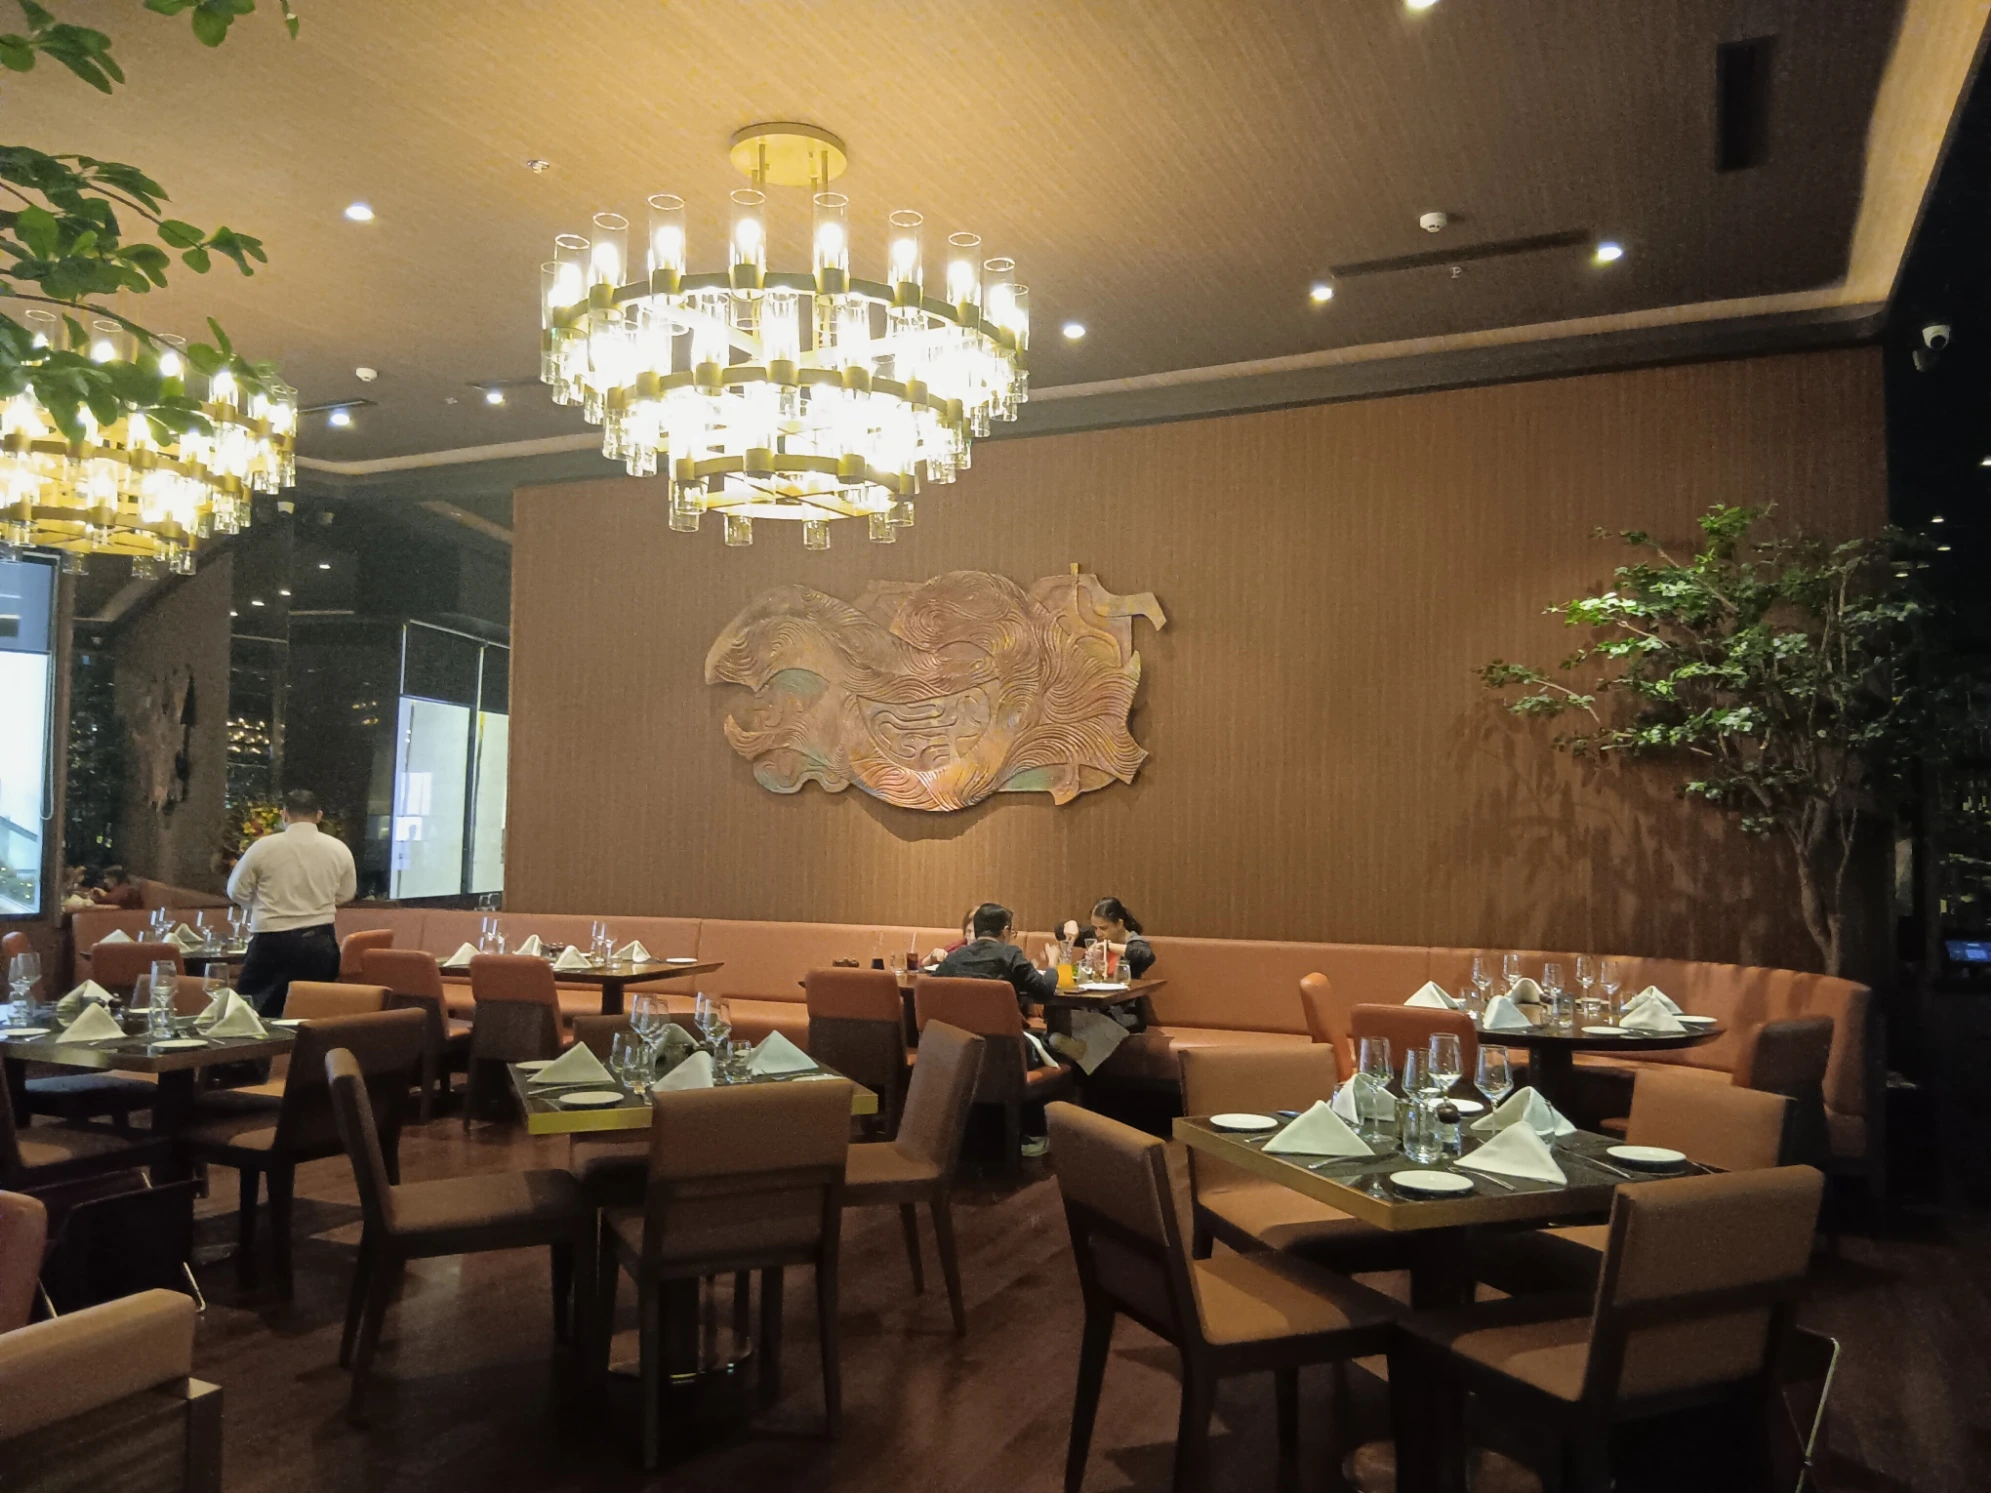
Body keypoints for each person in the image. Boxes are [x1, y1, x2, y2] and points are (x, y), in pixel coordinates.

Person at [932, 902, 1063, 1157]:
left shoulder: (954, 958)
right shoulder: (1010, 954)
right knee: (1052, 1050)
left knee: (1041, 1043)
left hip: (959, 1051)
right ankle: (1035, 1133)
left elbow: (936, 991)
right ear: (1005, 930)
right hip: (1005, 1052)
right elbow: (1044, 990)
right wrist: (1053, 964)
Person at [226, 788, 355, 1017]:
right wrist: (316, 902)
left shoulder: (263, 847)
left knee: (249, 1014)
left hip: (271, 942)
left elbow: (236, 891)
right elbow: (346, 893)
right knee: (310, 1014)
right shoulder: (339, 849)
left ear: (284, 814)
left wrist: (261, 904)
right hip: (319, 942)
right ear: (319, 816)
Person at [1076, 896, 1156, 979]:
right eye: (1095, 928)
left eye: (1103, 928)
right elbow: (1071, 932)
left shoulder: (1134, 942)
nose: (1098, 933)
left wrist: (1108, 946)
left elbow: (1146, 955)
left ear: (1119, 924)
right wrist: (1071, 925)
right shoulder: (1097, 935)